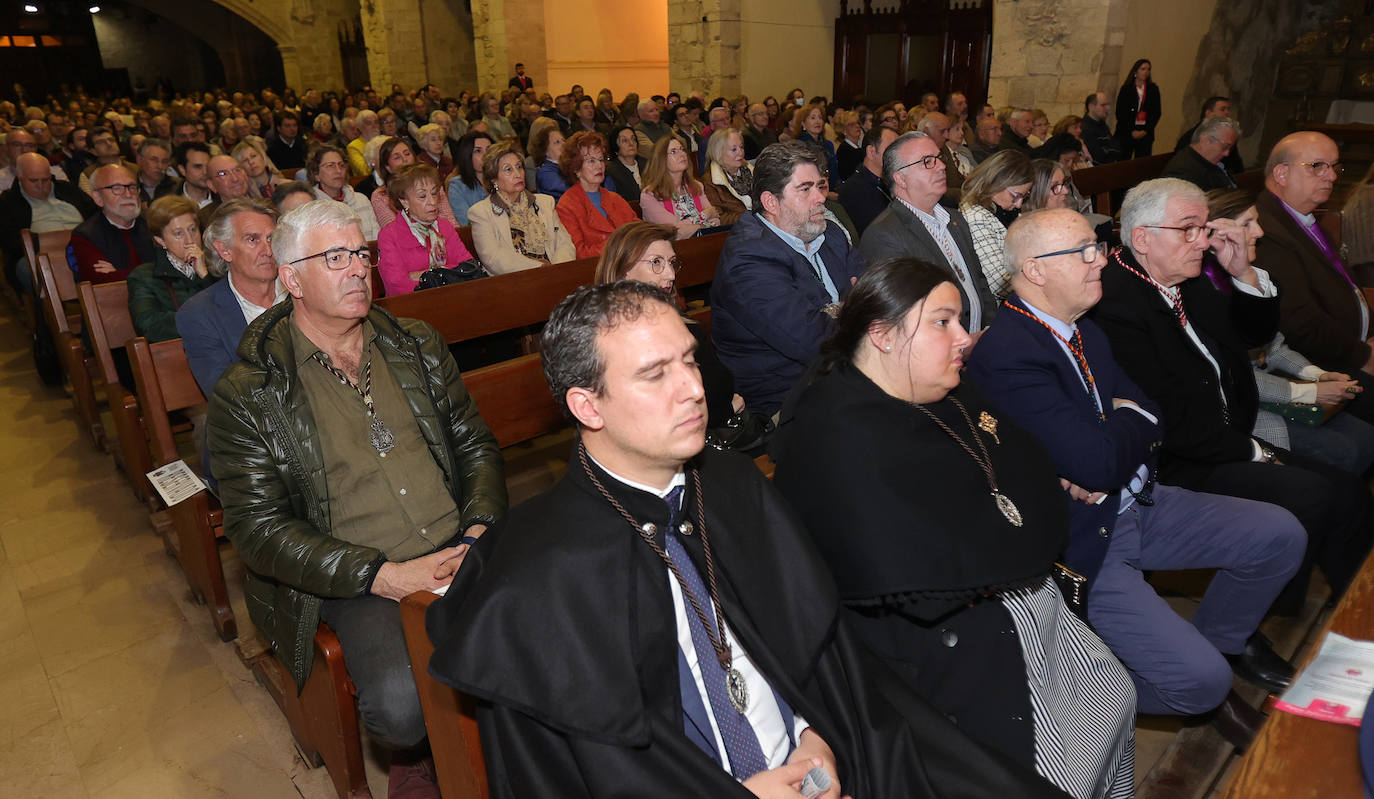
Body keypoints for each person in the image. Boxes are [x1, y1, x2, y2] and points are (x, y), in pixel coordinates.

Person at [425, 279, 1069, 799]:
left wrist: (819, 733)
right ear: (587, 407)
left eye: (689, 359)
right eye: (655, 375)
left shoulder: (731, 485)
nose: (693, 388)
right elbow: (599, 768)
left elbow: (818, 647)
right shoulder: (542, 571)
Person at [772, 257, 1137, 796]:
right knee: (1064, 770)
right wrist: (1009, 537)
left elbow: (1028, 468)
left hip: (1021, 597)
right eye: (943, 322)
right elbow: (904, 578)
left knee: (1116, 695)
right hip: (930, 643)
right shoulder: (833, 436)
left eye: (961, 320)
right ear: (883, 335)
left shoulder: (952, 392)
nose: (965, 338)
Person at [967, 208, 1306, 751]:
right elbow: (1101, 458)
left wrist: (1117, 433)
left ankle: (1206, 652)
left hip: (1138, 500)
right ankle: (1098, 695)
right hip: (1083, 540)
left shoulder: (1085, 330)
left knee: (1279, 534)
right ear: (1034, 270)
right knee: (1197, 685)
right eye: (1080, 252)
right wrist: (1121, 430)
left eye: (1095, 246)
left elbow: (1152, 416)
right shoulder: (1008, 353)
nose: (1099, 259)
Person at [208, 199, 507, 797]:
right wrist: (385, 576)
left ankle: (507, 750)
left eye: (361, 255)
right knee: (400, 708)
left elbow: (475, 444)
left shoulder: (415, 344)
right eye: (336, 257)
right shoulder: (250, 393)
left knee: (559, 626)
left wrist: (478, 531)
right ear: (290, 278)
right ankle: (419, 758)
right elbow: (259, 531)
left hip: (459, 540)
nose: (357, 270)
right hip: (359, 574)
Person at [1089, 178, 1374, 614]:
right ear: (1142, 238)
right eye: (1189, 228)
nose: (1203, 241)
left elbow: (1251, 336)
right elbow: (1167, 416)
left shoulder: (1184, 278)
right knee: (1311, 494)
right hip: (1177, 459)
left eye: (1204, 228)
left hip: (1223, 437)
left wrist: (1242, 273)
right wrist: (1255, 450)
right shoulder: (1116, 302)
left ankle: (1355, 614)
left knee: (1348, 493)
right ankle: (1264, 617)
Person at [1206, 188, 1374, 475]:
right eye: (1247, 224)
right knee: (1346, 454)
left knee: (1364, 438)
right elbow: (1229, 375)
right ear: (1219, 234)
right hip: (1242, 411)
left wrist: (1316, 374)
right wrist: (1308, 392)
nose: (1259, 231)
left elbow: (1276, 345)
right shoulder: (1203, 289)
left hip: (1274, 387)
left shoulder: (1251, 274)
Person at [710, 141, 866, 416]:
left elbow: (879, 294)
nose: (819, 197)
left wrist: (837, 313)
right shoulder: (748, 260)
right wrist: (855, 309)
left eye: (820, 185)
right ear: (771, 202)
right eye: (805, 189)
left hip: (842, 378)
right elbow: (813, 341)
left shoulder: (830, 234)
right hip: (789, 403)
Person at [594, 222, 743, 425]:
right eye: (656, 262)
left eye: (671, 262)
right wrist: (724, 411)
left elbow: (718, 382)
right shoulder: (616, 339)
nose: (671, 274)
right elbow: (649, 418)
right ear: (623, 270)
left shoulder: (682, 324)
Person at [1254, 132, 1369, 377]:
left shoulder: (1302, 220)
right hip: (1318, 368)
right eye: (1318, 166)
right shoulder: (1265, 230)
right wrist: (1363, 356)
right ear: (1281, 174)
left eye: (1334, 166)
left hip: (1348, 352)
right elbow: (1298, 321)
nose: (1333, 176)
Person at [860, 132, 996, 336]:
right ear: (901, 178)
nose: (941, 166)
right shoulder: (884, 235)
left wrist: (989, 330)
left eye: (939, 158)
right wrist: (960, 344)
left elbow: (979, 283)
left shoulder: (956, 220)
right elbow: (904, 316)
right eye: (927, 162)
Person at [176, 198, 284, 398]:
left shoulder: (301, 293)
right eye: (252, 240)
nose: (268, 251)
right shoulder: (200, 314)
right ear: (224, 250)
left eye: (271, 238)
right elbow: (228, 397)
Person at [468, 140, 575, 274]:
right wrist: (539, 269)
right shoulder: (481, 213)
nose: (518, 174)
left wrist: (557, 270)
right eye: (508, 169)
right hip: (513, 284)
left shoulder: (545, 203)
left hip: (555, 276)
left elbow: (564, 243)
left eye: (519, 167)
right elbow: (494, 259)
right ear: (493, 179)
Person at [0, 152, 94, 294]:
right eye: (33, 181)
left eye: (45, 180)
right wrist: (45, 243)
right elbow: (9, 240)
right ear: (20, 178)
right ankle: (49, 312)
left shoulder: (68, 189)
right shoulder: (8, 201)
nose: (41, 185)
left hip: (84, 246)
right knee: (26, 269)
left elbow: (95, 215)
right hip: (40, 254)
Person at [376, 163, 477, 296]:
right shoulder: (389, 236)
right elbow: (398, 287)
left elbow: (470, 268)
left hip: (455, 298)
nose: (432, 202)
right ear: (404, 201)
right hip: (411, 307)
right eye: (422, 196)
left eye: (434, 193)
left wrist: (425, 275)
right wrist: (449, 273)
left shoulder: (444, 227)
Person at [127, 195, 216, 342]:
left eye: (193, 229)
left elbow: (231, 310)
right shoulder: (144, 277)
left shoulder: (216, 265)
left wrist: (205, 276)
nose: (189, 239)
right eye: (178, 233)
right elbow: (150, 326)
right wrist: (207, 320)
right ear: (160, 240)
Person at [960, 150, 1034, 299]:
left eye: (1024, 196)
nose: (1019, 204)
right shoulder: (976, 217)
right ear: (995, 183)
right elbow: (999, 283)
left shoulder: (1007, 212)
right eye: (1015, 196)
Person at [555, 131, 638, 259]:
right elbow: (578, 253)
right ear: (576, 168)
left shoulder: (615, 198)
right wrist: (618, 245)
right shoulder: (567, 206)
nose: (599, 166)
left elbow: (639, 231)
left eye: (600, 160)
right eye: (591, 161)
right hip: (595, 271)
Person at [70, 163, 155, 285]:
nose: (128, 194)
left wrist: (120, 273)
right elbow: (103, 281)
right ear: (98, 198)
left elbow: (175, 269)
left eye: (132, 187)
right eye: (117, 188)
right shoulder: (85, 236)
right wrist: (153, 273)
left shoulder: (154, 225)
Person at [370, 137, 460, 230]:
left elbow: (451, 222)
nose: (404, 159)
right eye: (397, 157)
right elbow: (393, 230)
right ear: (387, 167)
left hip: (442, 236)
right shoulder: (380, 196)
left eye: (407, 154)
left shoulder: (432, 185)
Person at [641, 135, 720, 239]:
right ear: (661, 160)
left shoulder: (697, 186)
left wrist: (689, 226)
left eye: (682, 149)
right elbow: (673, 232)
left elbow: (716, 220)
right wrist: (704, 216)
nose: (682, 154)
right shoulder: (649, 195)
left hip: (704, 243)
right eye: (673, 152)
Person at [308, 144, 380, 240]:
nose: (338, 170)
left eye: (341, 165)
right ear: (316, 174)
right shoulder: (311, 206)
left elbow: (377, 239)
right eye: (330, 166)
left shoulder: (361, 200)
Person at [838, 125, 898, 237]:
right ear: (871, 151)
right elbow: (879, 233)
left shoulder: (887, 181)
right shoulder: (854, 189)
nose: (899, 154)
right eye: (892, 148)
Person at [1162, 116, 1239, 191]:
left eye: (1230, 148)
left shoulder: (1208, 162)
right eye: (1225, 147)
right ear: (1205, 139)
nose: (1227, 153)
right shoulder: (1182, 172)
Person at [700, 127, 754, 227]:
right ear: (718, 153)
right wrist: (751, 217)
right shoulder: (710, 182)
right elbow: (719, 217)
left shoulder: (751, 171)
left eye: (741, 147)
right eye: (734, 149)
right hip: (736, 232)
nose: (740, 152)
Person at [1175, 96, 1243, 174]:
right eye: (1222, 109)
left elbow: (1236, 165)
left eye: (1228, 109)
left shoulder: (1227, 135)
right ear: (1208, 113)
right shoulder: (1190, 137)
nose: (1227, 113)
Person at [1114, 59, 1161, 158]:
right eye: (1143, 69)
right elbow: (1120, 112)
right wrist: (1132, 131)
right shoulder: (1126, 89)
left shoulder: (1153, 89)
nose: (1146, 72)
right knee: (1123, 162)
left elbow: (1156, 113)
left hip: (1145, 132)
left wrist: (1145, 130)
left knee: (1142, 164)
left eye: (1148, 69)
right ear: (1136, 71)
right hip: (1127, 132)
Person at [446, 131, 493, 226]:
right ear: (467, 155)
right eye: (478, 151)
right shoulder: (457, 186)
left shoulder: (502, 179)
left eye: (489, 150)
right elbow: (467, 223)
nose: (486, 155)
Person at [792, 102, 840, 186]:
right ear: (803, 123)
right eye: (813, 118)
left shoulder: (828, 145)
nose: (818, 121)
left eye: (820, 118)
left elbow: (834, 171)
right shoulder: (799, 146)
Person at [605, 125, 647, 204]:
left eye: (633, 139)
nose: (631, 143)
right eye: (624, 140)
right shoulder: (610, 171)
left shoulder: (647, 164)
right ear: (615, 146)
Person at [1081, 93, 1124, 165]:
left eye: (1108, 105)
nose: (1108, 108)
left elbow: (1116, 148)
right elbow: (1097, 156)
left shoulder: (1103, 125)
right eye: (1103, 105)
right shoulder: (1084, 128)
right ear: (1091, 107)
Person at [133, 138, 177, 206]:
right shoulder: (130, 187)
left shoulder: (178, 187)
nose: (160, 166)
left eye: (164, 161)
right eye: (154, 160)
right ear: (140, 160)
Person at [532, 124, 568, 202]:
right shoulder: (545, 172)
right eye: (557, 142)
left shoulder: (566, 165)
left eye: (563, 140)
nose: (564, 144)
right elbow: (570, 190)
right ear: (545, 151)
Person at [174, 142, 214, 209]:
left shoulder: (222, 199)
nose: (205, 172)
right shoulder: (170, 202)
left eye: (208, 166)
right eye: (198, 167)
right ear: (182, 170)